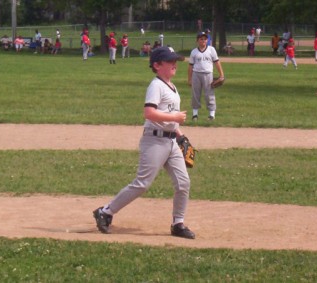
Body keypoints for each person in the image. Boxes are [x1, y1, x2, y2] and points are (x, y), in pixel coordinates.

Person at [93, 46, 195, 240]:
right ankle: (105, 212)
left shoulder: (172, 87)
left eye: (175, 61)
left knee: (183, 183)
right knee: (142, 184)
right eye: (169, 61)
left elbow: (171, 120)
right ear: (157, 65)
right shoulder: (156, 85)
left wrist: (181, 137)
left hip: (171, 141)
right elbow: (149, 113)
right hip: (154, 140)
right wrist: (173, 116)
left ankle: (178, 223)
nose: (175, 64)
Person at [188, 32, 224, 121]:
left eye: (205, 39)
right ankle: (195, 114)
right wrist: (189, 79)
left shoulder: (211, 50)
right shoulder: (194, 52)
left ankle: (212, 115)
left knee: (209, 94)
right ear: (197, 41)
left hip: (208, 74)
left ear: (207, 40)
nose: (203, 40)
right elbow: (190, 66)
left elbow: (217, 62)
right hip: (196, 74)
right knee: (195, 94)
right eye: (201, 39)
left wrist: (221, 75)